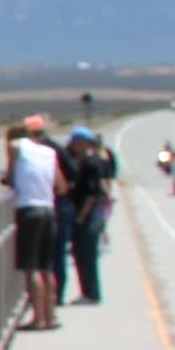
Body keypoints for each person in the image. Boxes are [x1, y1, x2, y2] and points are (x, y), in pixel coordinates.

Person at [8, 115, 63, 330]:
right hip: (48, 209)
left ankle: (38, 318)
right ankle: (52, 316)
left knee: (31, 269)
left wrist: (12, 179)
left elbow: (11, 176)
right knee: (46, 268)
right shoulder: (49, 152)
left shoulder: (16, 146)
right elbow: (60, 184)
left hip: (28, 209)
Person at [58, 126, 117, 305]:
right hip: (87, 213)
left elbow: (91, 195)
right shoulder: (85, 161)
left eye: (76, 142)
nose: (72, 146)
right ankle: (89, 291)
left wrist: (81, 217)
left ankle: (91, 293)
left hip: (89, 214)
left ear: (84, 143)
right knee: (80, 254)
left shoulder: (91, 164)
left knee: (86, 254)